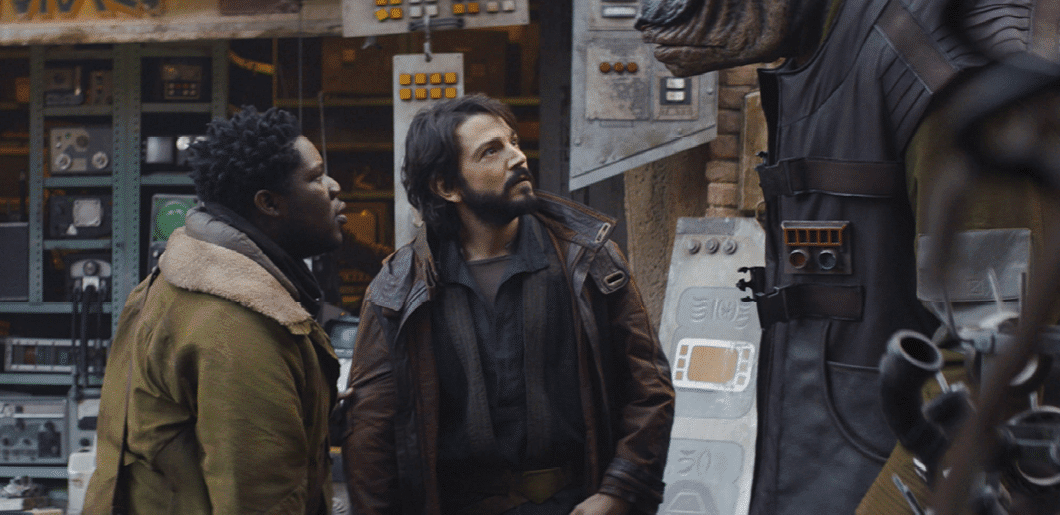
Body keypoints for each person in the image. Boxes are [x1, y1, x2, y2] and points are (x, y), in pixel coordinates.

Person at [345, 94, 673, 515]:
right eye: (491, 151)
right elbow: (371, 435)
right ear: (447, 186)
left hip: (574, 503)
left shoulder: (587, 260)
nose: (517, 156)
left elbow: (650, 388)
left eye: (513, 141)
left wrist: (618, 492)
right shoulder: (398, 288)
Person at [84, 107, 347, 514]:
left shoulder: (183, 279)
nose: (333, 186)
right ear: (269, 203)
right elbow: (260, 499)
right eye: (315, 177)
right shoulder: (238, 323)